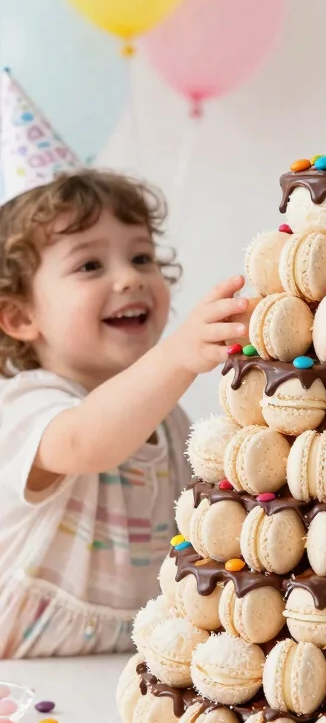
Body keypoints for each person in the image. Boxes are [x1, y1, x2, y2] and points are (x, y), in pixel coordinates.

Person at [0, 169, 252, 658]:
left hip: (126, 656)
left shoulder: (169, 420)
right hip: (21, 669)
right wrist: (177, 356)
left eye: (141, 257)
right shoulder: (24, 404)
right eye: (90, 265)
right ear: (21, 316)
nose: (130, 277)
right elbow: (84, 443)